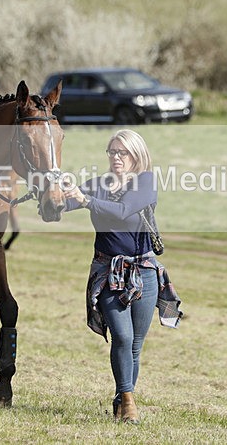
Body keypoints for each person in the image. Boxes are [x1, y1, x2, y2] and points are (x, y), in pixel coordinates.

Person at [63, 129, 182, 424]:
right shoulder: (98, 185)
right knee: (123, 335)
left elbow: (125, 211)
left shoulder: (146, 182)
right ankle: (129, 402)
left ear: (136, 156)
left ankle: (121, 397)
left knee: (135, 344)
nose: (116, 157)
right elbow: (58, 207)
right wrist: (57, 190)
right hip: (108, 271)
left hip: (144, 271)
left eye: (122, 152)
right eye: (112, 152)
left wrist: (85, 200)